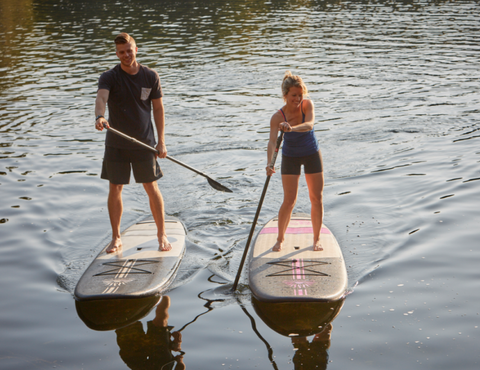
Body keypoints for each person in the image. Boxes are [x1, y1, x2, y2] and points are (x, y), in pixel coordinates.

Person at [94, 32, 171, 253]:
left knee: (151, 186)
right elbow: (101, 98)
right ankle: (116, 238)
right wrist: (100, 116)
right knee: (115, 187)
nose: (126, 55)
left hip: (144, 143)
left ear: (136, 49)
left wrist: (161, 142)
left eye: (129, 50)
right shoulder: (109, 77)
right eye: (121, 52)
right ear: (117, 54)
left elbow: (158, 109)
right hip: (116, 143)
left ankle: (162, 235)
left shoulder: (150, 76)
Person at [266, 71, 324, 252]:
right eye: (294, 95)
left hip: (311, 154)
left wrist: (291, 129)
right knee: (289, 200)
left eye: (300, 95)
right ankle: (280, 239)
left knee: (317, 198)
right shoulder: (277, 117)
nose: (298, 99)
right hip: (290, 157)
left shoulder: (307, 105)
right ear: (285, 96)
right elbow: (272, 141)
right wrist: (269, 163)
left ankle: (316, 239)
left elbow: (310, 125)